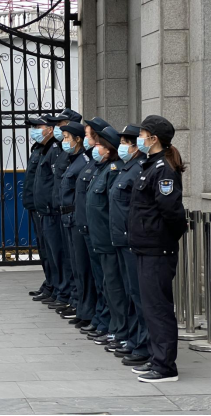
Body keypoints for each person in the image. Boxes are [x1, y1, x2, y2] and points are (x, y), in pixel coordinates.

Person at [128, 115, 187, 383]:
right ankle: (156, 358)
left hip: (157, 249)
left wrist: (166, 237)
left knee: (159, 308)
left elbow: (171, 211)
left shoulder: (163, 168)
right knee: (150, 307)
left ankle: (165, 367)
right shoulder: (149, 165)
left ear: (154, 138)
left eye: (142, 134)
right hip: (146, 246)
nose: (139, 138)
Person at [109, 125, 150, 367]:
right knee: (130, 293)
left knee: (139, 294)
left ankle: (143, 344)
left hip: (132, 241)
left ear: (137, 145)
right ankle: (134, 340)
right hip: (121, 240)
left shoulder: (139, 169)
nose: (122, 146)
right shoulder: (127, 168)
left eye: (127, 142)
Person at [86, 126, 128, 349]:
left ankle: (119, 330)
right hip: (100, 239)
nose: (95, 147)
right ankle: (114, 327)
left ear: (110, 149)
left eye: (99, 144)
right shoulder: (103, 168)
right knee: (108, 286)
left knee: (116, 287)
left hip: (110, 240)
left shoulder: (114, 170)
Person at [76, 118, 112, 341]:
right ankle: (101, 318)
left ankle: (108, 323)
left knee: (109, 283)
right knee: (99, 280)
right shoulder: (94, 164)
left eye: (92, 137)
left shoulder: (109, 168)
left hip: (105, 235)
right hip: (91, 230)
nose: (91, 142)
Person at [30, 115, 70, 308]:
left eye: (39, 126)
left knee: (58, 253)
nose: (35, 130)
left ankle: (61, 290)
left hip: (52, 210)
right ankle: (53, 286)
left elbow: (56, 182)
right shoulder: (42, 148)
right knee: (47, 252)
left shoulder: (56, 149)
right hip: (41, 208)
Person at [57, 121, 91, 327]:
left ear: (78, 139)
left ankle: (85, 308)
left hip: (76, 218)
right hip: (68, 218)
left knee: (83, 267)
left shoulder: (83, 161)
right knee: (76, 266)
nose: (64, 141)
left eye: (68, 137)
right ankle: (80, 305)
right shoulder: (73, 160)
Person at [23, 120, 54, 299]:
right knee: (44, 249)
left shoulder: (52, 149)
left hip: (45, 208)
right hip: (35, 205)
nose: (34, 131)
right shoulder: (38, 148)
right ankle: (50, 282)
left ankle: (55, 286)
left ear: (50, 129)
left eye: (38, 127)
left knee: (51, 251)